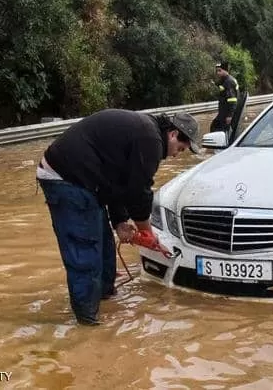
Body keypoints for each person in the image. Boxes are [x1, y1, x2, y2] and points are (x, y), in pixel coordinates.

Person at [36, 109, 200, 325]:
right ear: (173, 134)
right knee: (86, 255)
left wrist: (120, 222)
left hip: (87, 182)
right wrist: (147, 233)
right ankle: (88, 326)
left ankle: (106, 301)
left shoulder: (145, 134)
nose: (176, 155)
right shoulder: (150, 140)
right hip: (65, 179)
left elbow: (118, 183)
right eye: (180, 148)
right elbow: (139, 194)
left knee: (104, 252)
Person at [210, 62, 240, 133]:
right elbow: (221, 87)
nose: (218, 73)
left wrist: (230, 115)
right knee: (215, 126)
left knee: (217, 129)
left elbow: (233, 100)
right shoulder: (224, 80)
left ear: (226, 70)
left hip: (227, 113)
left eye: (220, 70)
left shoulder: (229, 81)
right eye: (217, 71)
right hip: (223, 112)